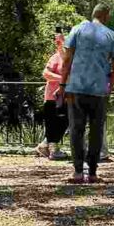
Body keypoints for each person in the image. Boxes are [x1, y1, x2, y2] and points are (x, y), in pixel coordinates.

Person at [58, 4, 114, 184]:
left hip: (76, 87)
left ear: (93, 14)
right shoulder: (112, 35)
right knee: (96, 131)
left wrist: (63, 84)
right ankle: (93, 172)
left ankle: (78, 171)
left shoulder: (77, 30)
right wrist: (110, 86)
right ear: (106, 16)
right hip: (99, 90)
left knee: (76, 130)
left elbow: (67, 60)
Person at [36, 27, 69, 160]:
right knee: (52, 123)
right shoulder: (55, 57)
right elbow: (45, 73)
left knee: (64, 121)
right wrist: (62, 79)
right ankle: (52, 149)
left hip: (67, 96)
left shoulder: (72, 59)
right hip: (52, 96)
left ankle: (45, 146)